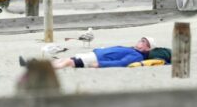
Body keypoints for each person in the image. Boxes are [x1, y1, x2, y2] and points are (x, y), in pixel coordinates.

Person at [24, 37, 155, 69]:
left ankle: (44, 69)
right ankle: (38, 65)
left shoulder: (136, 55)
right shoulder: (132, 49)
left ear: (147, 48)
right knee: (66, 58)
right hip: (95, 54)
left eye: (144, 42)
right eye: (141, 40)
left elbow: (121, 63)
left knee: (69, 62)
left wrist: (100, 64)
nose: (140, 42)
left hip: (96, 59)